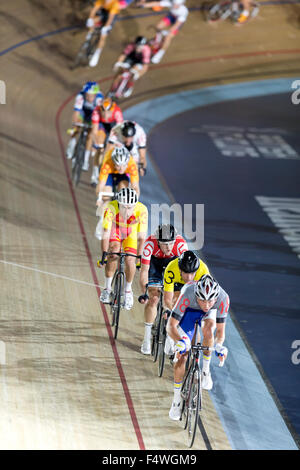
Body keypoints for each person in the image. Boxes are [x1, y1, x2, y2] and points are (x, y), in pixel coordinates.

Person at [166, 274, 230, 420]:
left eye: (210, 301)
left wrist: (219, 346)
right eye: (202, 300)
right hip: (188, 312)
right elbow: (171, 326)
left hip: (208, 316)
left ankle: (206, 371)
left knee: (209, 329)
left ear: (216, 297)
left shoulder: (223, 298)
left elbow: (220, 332)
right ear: (196, 295)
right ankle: (176, 401)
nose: (206, 304)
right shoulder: (188, 293)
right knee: (182, 355)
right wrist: (180, 341)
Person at [138, 224, 188, 354]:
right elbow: (144, 271)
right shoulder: (149, 244)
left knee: (175, 301)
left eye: (171, 243)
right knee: (154, 298)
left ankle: (171, 336)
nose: (169, 247)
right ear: (157, 241)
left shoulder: (181, 246)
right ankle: (146, 338)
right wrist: (145, 293)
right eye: (164, 244)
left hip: (174, 266)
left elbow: (186, 274)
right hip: (155, 266)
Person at [99, 187, 148, 310]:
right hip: (116, 230)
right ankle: (107, 288)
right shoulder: (111, 208)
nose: (127, 211)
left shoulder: (142, 210)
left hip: (131, 234)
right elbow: (105, 233)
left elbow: (141, 238)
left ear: (135, 206)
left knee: (130, 260)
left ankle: (127, 291)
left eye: (130, 208)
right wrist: (104, 254)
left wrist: (139, 258)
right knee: (113, 253)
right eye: (124, 207)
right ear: (118, 204)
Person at [66, 82, 103, 170]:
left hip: (93, 115)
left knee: (90, 136)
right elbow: (76, 112)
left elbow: (98, 116)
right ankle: (72, 142)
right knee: (77, 126)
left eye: (91, 96)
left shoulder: (99, 99)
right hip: (83, 112)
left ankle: (85, 160)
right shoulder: (80, 96)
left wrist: (94, 128)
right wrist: (75, 125)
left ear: (95, 95)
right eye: (87, 95)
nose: (88, 97)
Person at [91, 97, 123, 185]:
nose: (105, 115)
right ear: (100, 109)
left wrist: (114, 143)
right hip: (102, 126)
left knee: (110, 148)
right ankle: (94, 176)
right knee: (99, 147)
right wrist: (96, 143)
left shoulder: (117, 112)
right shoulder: (96, 111)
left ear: (112, 110)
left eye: (108, 112)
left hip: (113, 127)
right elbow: (94, 131)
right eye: (103, 111)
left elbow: (119, 132)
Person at [87, 0, 121, 67]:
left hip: (111, 16)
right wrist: (90, 19)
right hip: (104, 11)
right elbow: (94, 10)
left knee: (103, 36)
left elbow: (110, 19)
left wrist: (105, 27)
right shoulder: (101, 0)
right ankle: (89, 34)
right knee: (93, 21)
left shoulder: (115, 4)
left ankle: (97, 53)